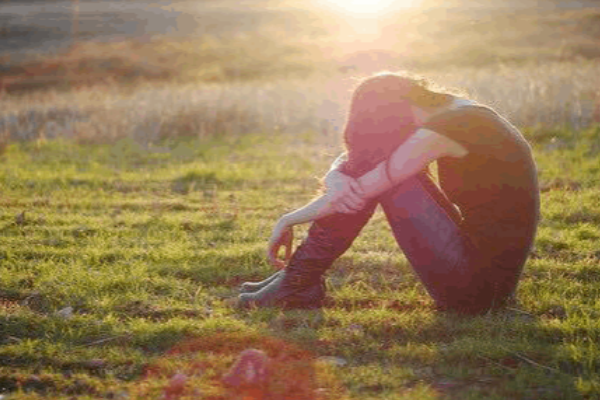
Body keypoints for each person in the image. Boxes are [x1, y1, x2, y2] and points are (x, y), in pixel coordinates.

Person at [237, 72, 540, 315]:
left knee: (386, 178)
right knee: (382, 171)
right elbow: (361, 160)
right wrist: (334, 175)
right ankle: (297, 279)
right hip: (487, 280)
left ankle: (298, 281)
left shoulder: (445, 130)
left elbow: (366, 184)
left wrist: (288, 219)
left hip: (476, 292)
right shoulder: (460, 113)